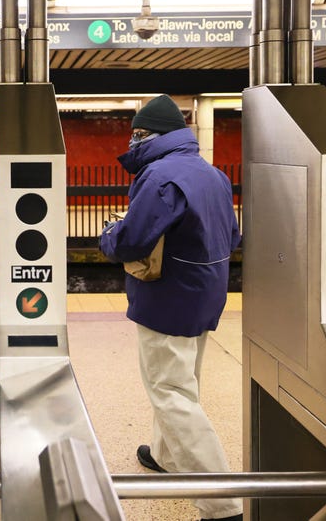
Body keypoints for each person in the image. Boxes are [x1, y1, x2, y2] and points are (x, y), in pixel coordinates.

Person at [99, 94, 242, 521]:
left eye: (135, 135)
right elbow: (234, 236)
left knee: (170, 392)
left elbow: (132, 241)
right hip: (205, 292)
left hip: (168, 296)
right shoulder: (212, 174)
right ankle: (166, 458)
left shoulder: (160, 175)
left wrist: (109, 233)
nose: (132, 142)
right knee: (182, 381)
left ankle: (222, 505)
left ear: (148, 134)